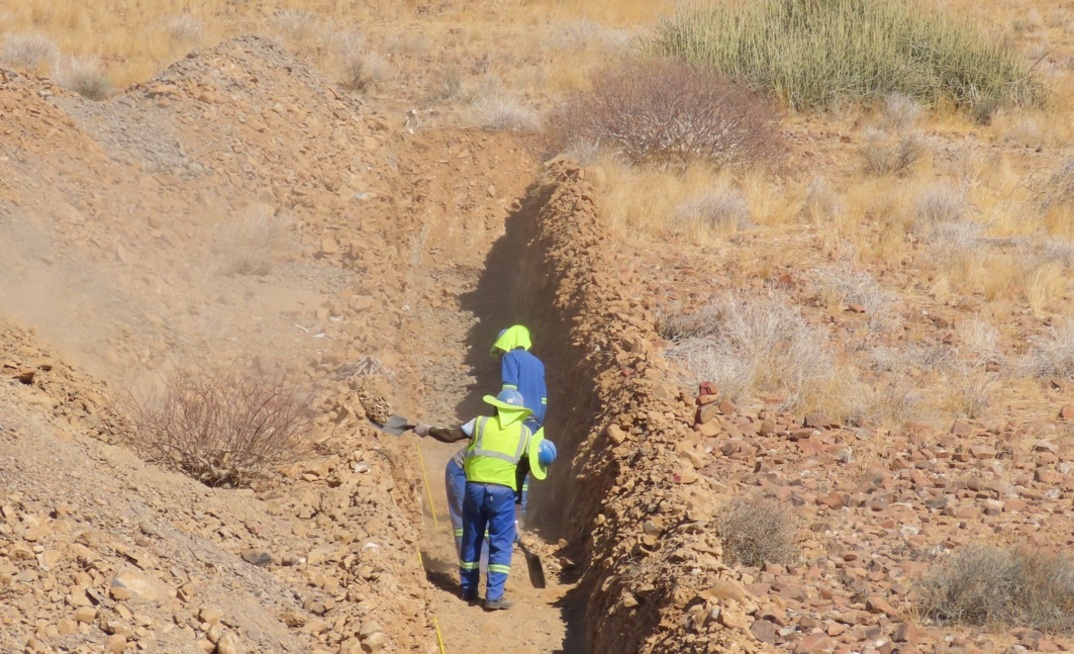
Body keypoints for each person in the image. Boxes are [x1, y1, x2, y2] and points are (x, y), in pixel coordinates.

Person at [415, 388, 555, 611]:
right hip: (502, 494)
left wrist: (428, 429)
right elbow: (519, 482)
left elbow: (450, 436)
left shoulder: (480, 423)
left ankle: (468, 590)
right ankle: (494, 596)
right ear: (519, 413)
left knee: (472, 537)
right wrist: (514, 521)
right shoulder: (526, 436)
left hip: (474, 488)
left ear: (496, 407)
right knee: (501, 543)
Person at [490, 325, 547, 525]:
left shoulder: (511, 358)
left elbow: (510, 391)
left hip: (517, 419)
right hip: (535, 421)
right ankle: (518, 517)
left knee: (506, 464)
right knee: (524, 466)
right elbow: (543, 397)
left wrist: (499, 417)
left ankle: (501, 514)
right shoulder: (538, 363)